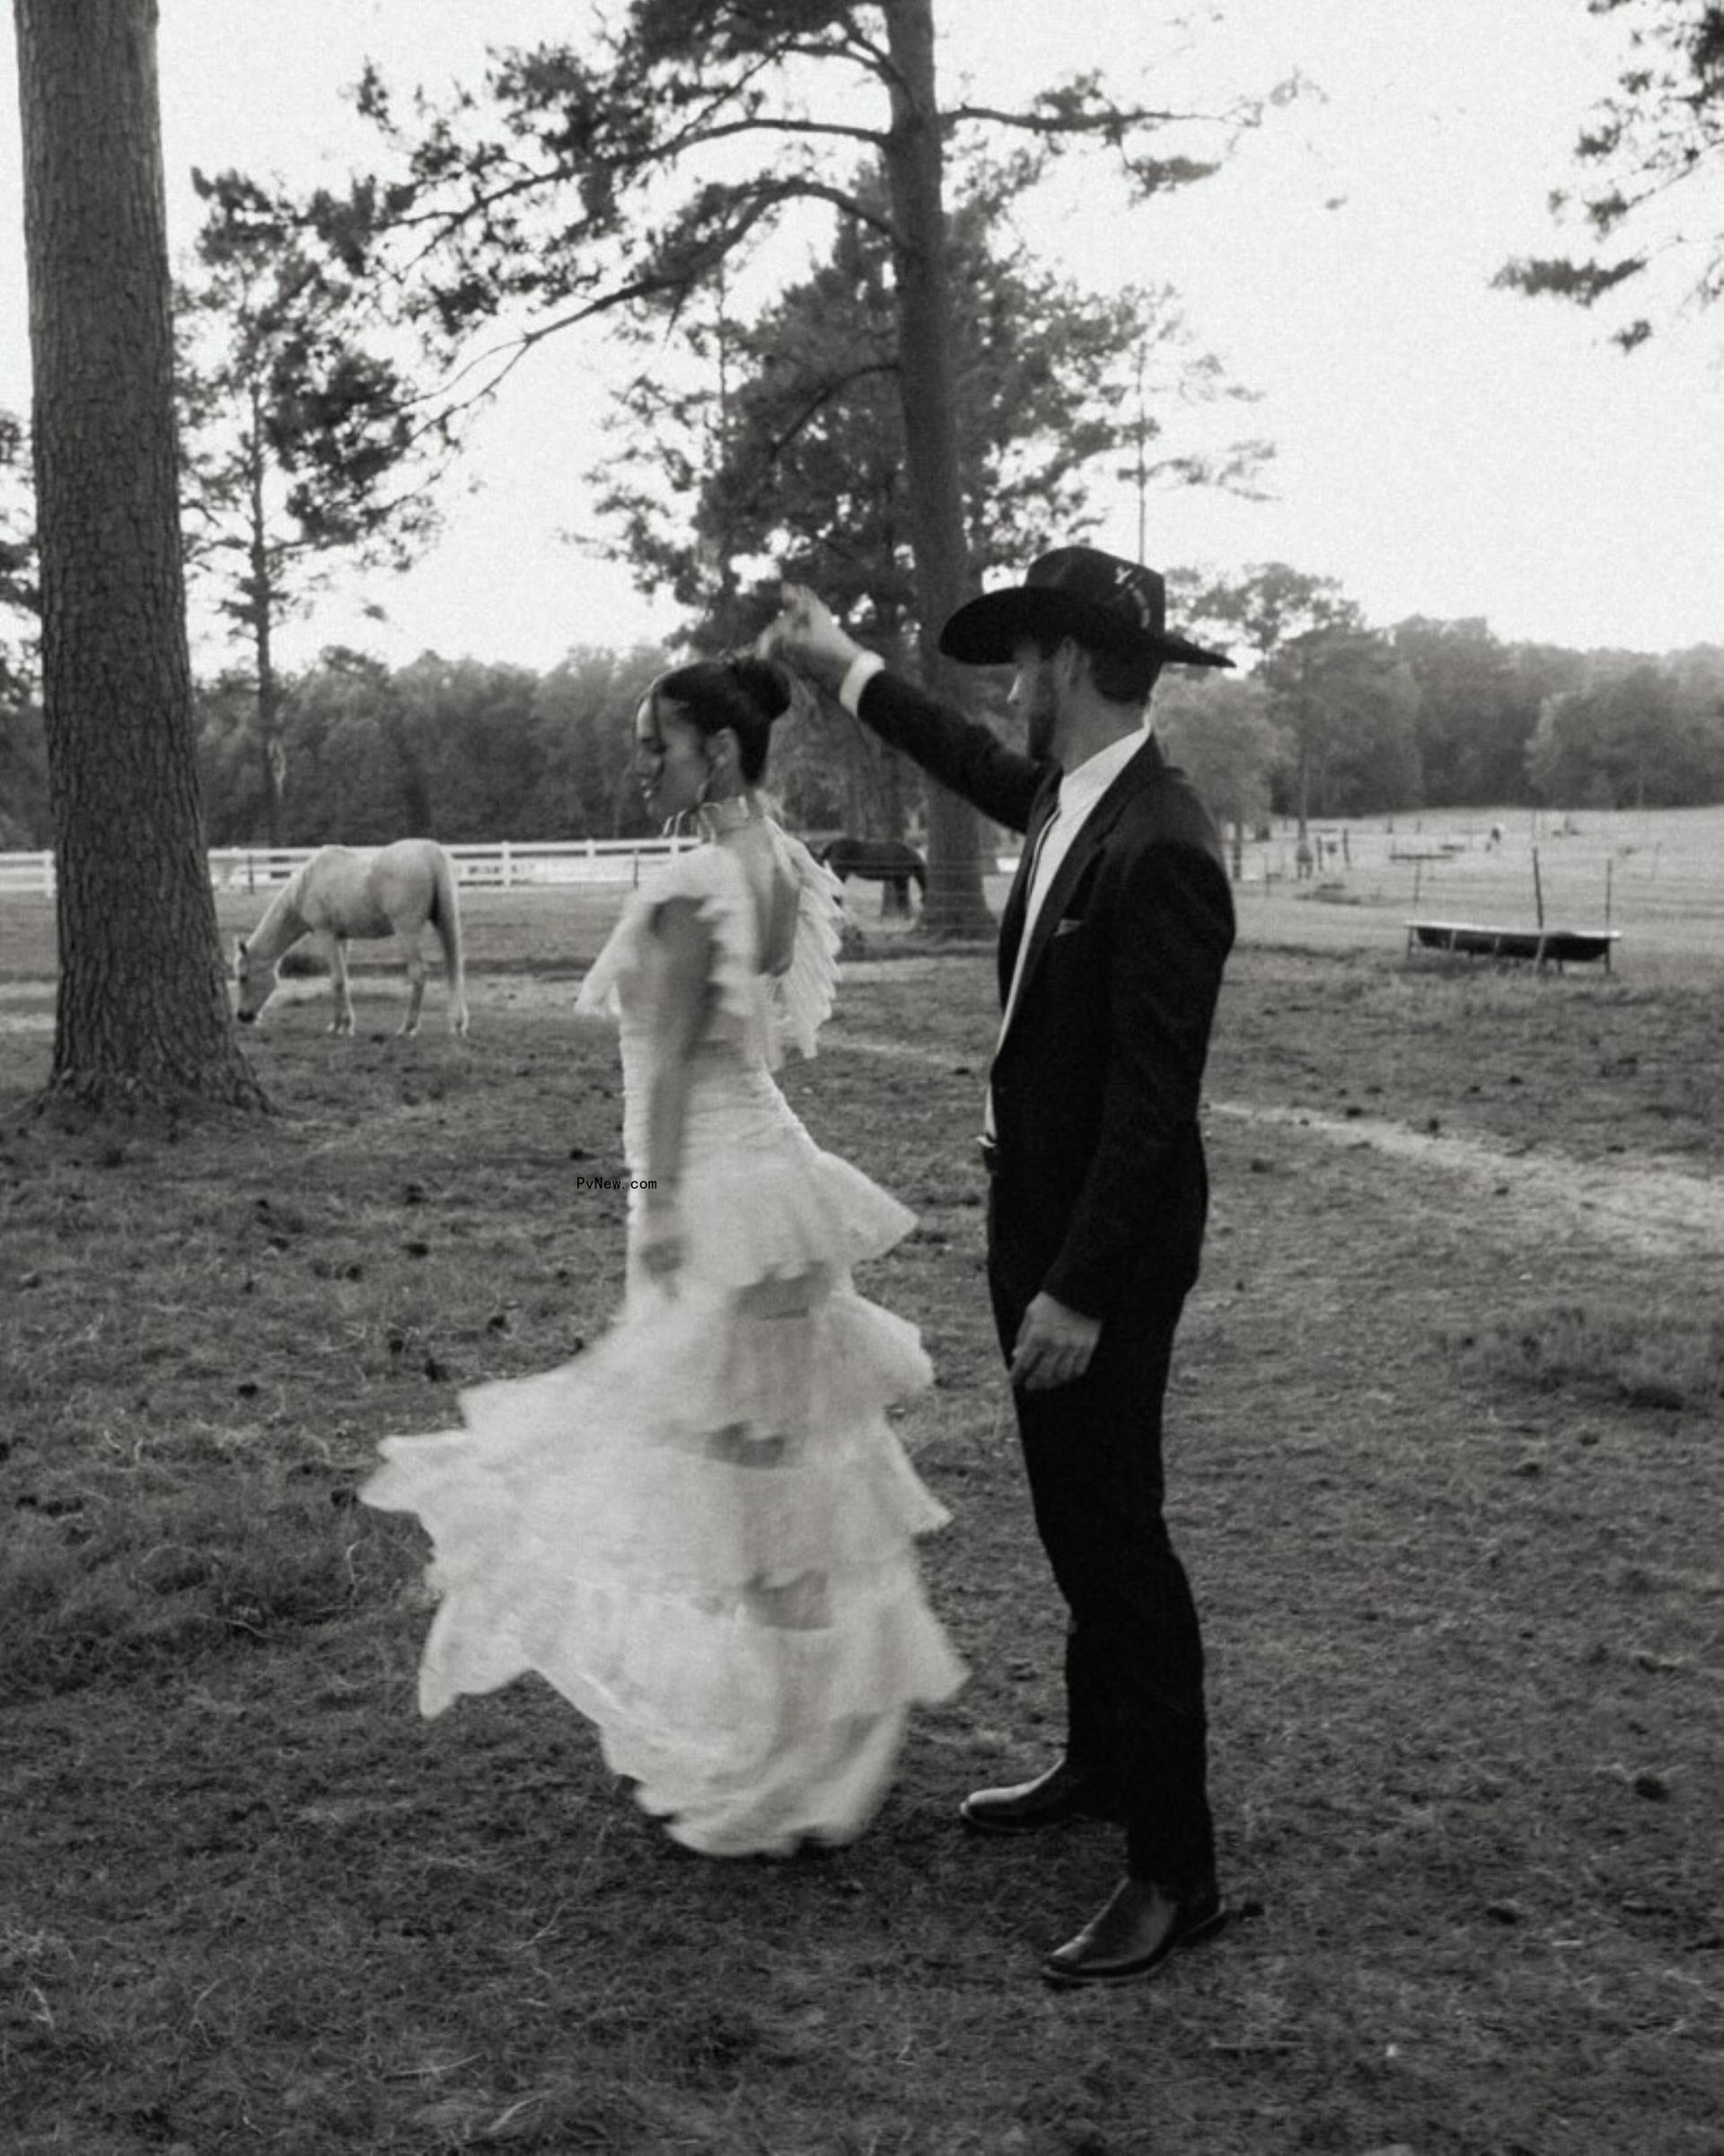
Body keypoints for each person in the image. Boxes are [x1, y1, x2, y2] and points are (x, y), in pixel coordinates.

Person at [362, 655, 964, 1857]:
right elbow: (756, 1038)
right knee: (774, 1479)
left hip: (721, 1197)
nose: (646, 762)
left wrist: (659, 1204)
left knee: (712, 1473)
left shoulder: (699, 875)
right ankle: (796, 1737)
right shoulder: (780, 859)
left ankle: (783, 1759)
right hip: (780, 1184)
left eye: (661, 742)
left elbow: (683, 1056)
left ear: (721, 753)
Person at [766, 549, 1236, 1984]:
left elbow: (1156, 1108)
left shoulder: (1163, 844)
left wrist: (1082, 1289)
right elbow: (953, 744)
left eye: (1028, 658)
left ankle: (1174, 1870)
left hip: (1103, 1256)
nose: (1011, 685)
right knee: (1073, 1523)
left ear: (1082, 667)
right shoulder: (1063, 801)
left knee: (1121, 1542)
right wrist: (838, 661)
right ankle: (1101, 1764)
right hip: (1034, 1226)